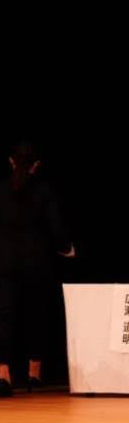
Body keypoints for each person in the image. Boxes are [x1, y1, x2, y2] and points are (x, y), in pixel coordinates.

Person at [0, 142, 75, 397]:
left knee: (5, 317)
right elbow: (56, 226)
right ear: (37, 165)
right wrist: (67, 248)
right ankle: (34, 373)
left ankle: (3, 374)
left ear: (11, 161)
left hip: (5, 262)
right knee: (37, 315)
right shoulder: (44, 191)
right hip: (37, 263)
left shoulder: (2, 190)